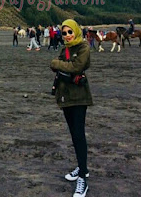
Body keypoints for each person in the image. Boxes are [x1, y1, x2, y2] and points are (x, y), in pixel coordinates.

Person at [50, 19, 93, 197]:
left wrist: (57, 64)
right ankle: (81, 167)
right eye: (64, 33)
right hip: (66, 96)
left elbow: (77, 66)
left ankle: (83, 177)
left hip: (79, 98)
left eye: (70, 32)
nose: (67, 35)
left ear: (76, 31)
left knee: (79, 135)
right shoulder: (65, 49)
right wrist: (64, 68)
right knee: (74, 135)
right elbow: (68, 68)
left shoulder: (84, 47)